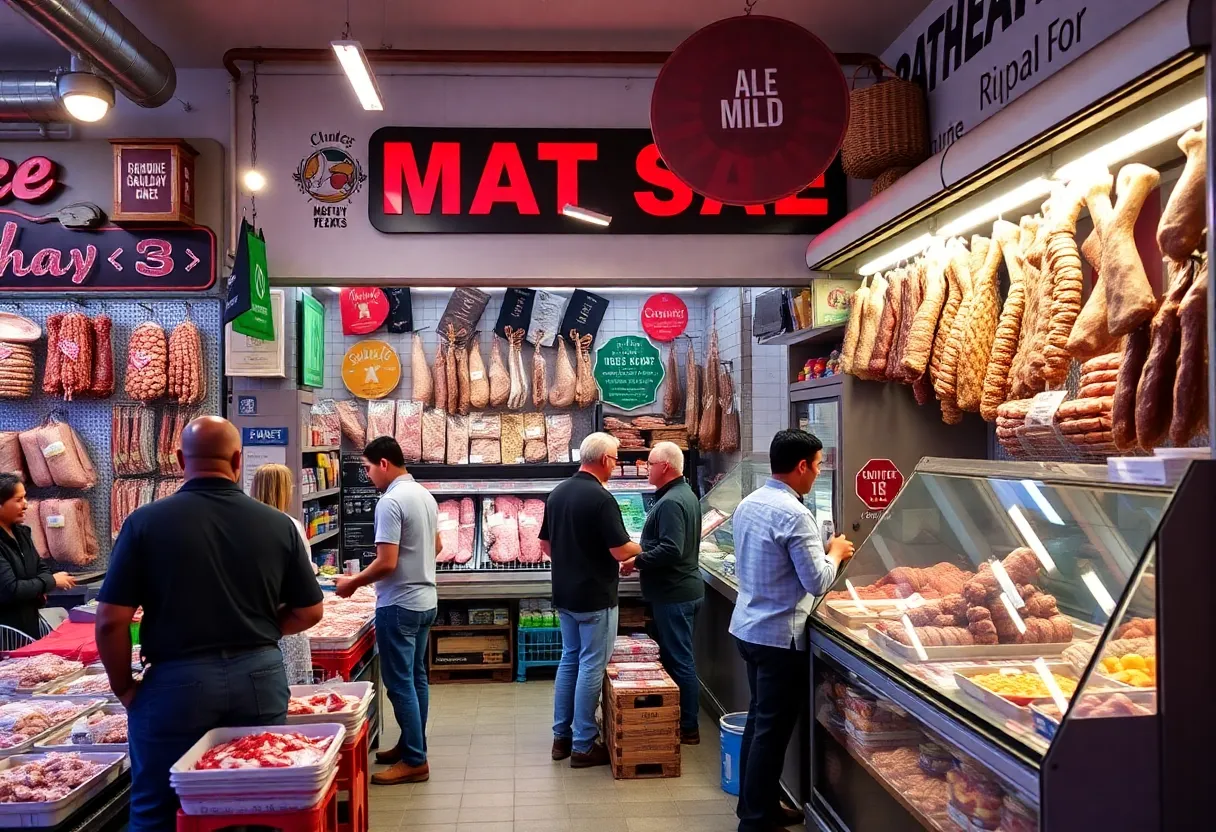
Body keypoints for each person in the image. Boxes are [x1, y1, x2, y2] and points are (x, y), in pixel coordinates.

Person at [95, 416, 325, 832]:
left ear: (181, 459)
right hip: (258, 677)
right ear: (238, 461)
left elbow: (112, 621)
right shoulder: (278, 525)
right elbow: (310, 611)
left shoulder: (144, 523)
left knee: (158, 805)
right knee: (257, 802)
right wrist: (261, 629)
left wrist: (125, 687)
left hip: (175, 683)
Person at [729, 429, 854, 832]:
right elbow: (817, 581)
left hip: (749, 628)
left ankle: (756, 805)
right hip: (779, 636)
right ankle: (755, 820)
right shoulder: (794, 514)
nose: (817, 474)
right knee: (770, 729)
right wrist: (836, 552)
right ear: (801, 466)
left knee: (758, 722)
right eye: (817, 466)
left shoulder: (749, 502)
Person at [335, 436, 439, 786]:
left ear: (384, 464)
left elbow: (386, 562)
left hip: (399, 604)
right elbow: (436, 545)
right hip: (426, 601)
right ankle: (413, 744)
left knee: (398, 684)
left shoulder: (390, 501)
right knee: (417, 679)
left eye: (367, 468)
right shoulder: (424, 495)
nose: (366, 476)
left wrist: (353, 583)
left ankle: (414, 760)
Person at [540, 432, 641, 767]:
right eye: (615, 458)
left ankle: (561, 738)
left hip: (565, 594)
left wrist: (573, 559)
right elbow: (619, 550)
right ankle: (584, 744)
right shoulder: (601, 498)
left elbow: (545, 546)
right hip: (596, 598)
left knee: (570, 660)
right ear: (604, 460)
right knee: (592, 666)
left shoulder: (558, 493)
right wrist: (642, 548)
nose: (616, 464)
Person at [621, 441, 703, 744]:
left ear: (665, 466)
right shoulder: (684, 494)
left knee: (680, 660)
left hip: (674, 593)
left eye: (650, 464)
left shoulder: (670, 502)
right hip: (682, 590)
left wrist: (636, 561)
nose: (646, 468)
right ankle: (674, 718)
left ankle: (688, 728)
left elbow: (671, 548)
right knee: (674, 657)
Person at [250, 463, 317, 685]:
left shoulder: (242, 525)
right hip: (285, 623)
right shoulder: (290, 526)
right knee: (290, 693)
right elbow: (305, 575)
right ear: (282, 489)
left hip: (252, 626)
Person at [0, 473, 74, 640]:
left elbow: (41, 568)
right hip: (5, 633)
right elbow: (11, 589)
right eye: (18, 500)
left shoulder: (22, 533)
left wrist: (41, 584)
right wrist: (51, 582)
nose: (26, 505)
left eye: (24, 498)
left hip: (29, 624)